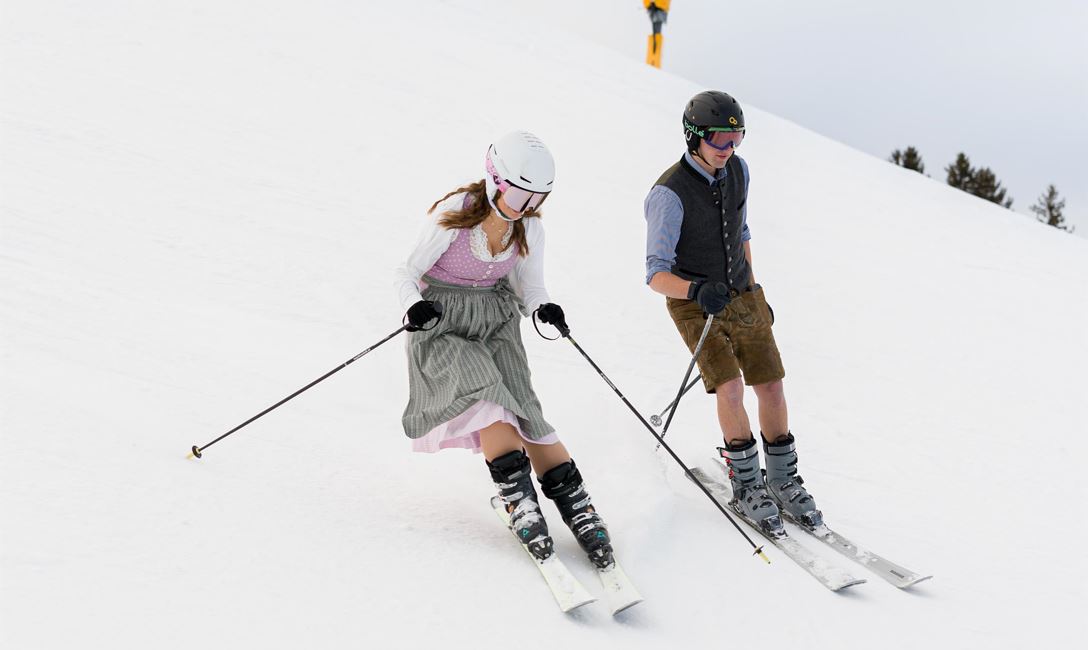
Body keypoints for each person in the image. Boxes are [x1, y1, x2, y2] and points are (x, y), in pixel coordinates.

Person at [393, 131, 615, 568]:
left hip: (496, 324)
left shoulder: (530, 226)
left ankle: (576, 502)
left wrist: (542, 307)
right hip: (443, 324)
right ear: (495, 179)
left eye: (537, 196)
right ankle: (519, 500)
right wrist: (414, 305)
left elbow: (530, 286)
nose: (525, 205)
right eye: (518, 192)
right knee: (490, 398)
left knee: (526, 408)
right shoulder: (454, 213)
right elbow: (407, 270)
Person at [643, 91, 822, 534]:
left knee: (773, 387)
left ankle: (781, 480)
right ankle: (747, 485)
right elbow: (654, 275)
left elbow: (741, 231)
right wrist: (698, 289)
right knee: (731, 388)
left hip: (742, 293)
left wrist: (754, 287)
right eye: (720, 141)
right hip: (694, 304)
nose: (729, 150)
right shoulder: (668, 195)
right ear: (695, 137)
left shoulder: (738, 170)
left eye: (736, 139)